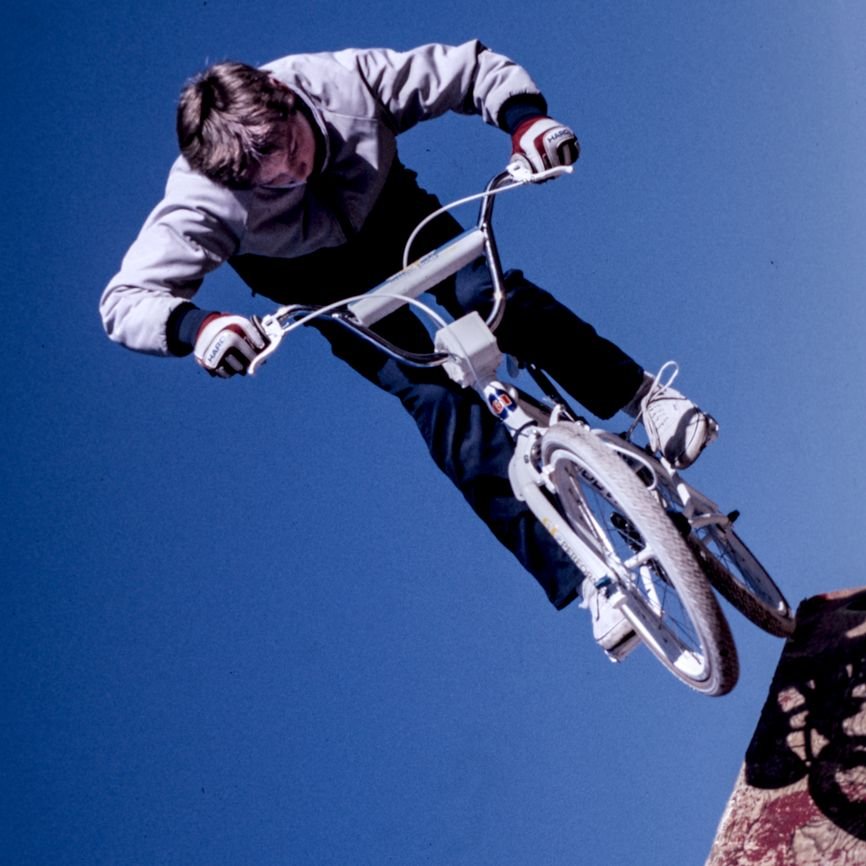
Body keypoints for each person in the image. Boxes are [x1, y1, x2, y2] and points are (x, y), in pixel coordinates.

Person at [100, 41, 716, 661]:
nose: (291, 173)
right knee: (436, 402)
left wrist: (526, 124)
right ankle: (591, 580)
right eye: (269, 181)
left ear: (286, 99)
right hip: (322, 290)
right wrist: (200, 328)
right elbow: (125, 299)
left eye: (289, 147)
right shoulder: (205, 197)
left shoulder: (342, 81)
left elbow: (471, 70)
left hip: (400, 224)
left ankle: (647, 398)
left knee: (494, 298)